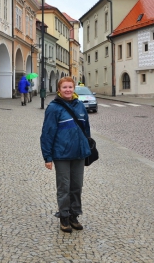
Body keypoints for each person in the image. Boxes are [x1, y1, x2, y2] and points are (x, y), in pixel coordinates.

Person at [40, 76, 91, 233]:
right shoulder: (54, 108)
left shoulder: (80, 106)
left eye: (70, 87)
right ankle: (64, 217)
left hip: (79, 154)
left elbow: (86, 129)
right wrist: (47, 157)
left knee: (77, 187)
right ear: (59, 89)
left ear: (74, 88)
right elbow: (47, 133)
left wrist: (87, 147)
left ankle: (74, 216)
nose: (68, 90)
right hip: (61, 154)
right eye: (65, 87)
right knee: (64, 187)